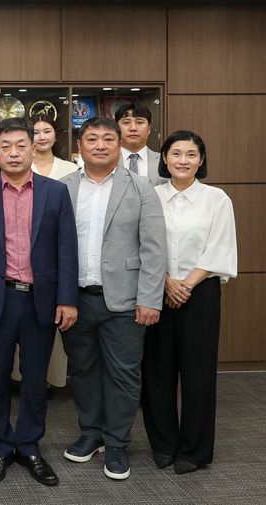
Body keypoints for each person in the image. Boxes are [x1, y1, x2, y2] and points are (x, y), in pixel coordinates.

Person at [0, 117, 78, 488]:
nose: (13, 153)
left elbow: (67, 249)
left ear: (34, 148)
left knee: (35, 380)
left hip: (39, 301)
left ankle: (29, 445)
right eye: (6, 147)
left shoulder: (55, 192)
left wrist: (67, 299)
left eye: (21, 145)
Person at [59, 116, 166, 481]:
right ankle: (91, 432)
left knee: (123, 375)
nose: (101, 145)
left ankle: (117, 442)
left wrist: (150, 298)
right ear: (79, 146)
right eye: (92, 139)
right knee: (83, 370)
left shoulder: (141, 187)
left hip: (126, 300)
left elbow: (154, 248)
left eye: (108, 139)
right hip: (76, 298)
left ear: (119, 146)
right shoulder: (63, 188)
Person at [141, 130, 237, 475]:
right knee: (156, 371)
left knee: (198, 372)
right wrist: (166, 280)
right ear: (165, 159)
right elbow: (144, 243)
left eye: (191, 154)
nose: (183, 160)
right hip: (157, 289)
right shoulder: (150, 196)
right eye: (176, 153)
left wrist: (186, 284)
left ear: (201, 160)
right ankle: (163, 444)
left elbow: (220, 246)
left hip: (201, 292)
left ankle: (194, 450)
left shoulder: (216, 199)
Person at [10, 114, 80, 391]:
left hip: (48, 272)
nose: (41, 137)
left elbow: (67, 244)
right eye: (36, 132)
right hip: (12, 277)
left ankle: (51, 382)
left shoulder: (70, 170)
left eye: (46, 131)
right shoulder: (10, 172)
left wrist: (67, 296)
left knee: (50, 343)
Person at [114, 103, 167, 186]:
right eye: (126, 123)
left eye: (139, 122)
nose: (133, 128)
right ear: (116, 129)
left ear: (149, 129)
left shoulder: (164, 161)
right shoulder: (107, 160)